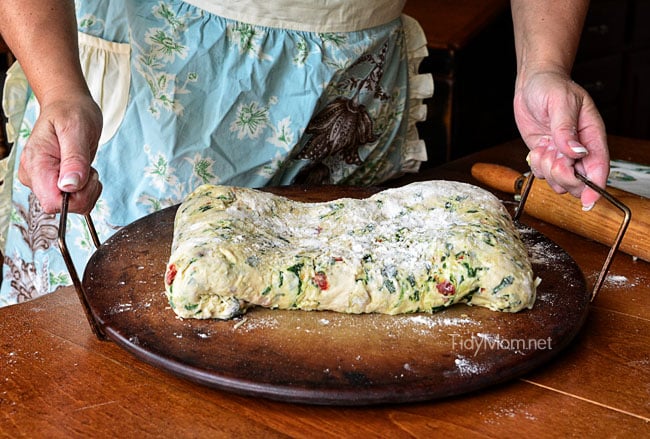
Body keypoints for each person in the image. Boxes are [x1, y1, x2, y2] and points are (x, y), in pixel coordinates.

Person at [0, 0, 608, 306]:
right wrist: (59, 89)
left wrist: (545, 65)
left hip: (356, 84)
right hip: (175, 82)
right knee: (127, 360)